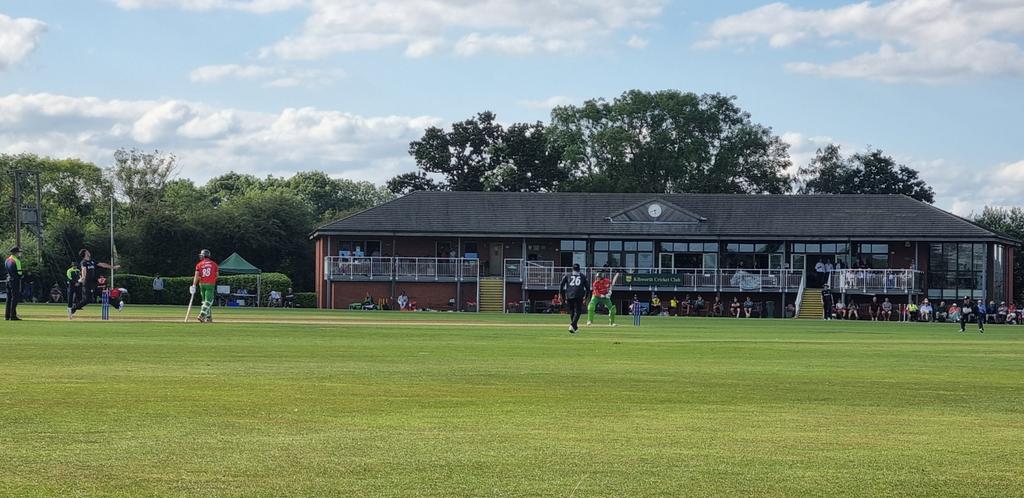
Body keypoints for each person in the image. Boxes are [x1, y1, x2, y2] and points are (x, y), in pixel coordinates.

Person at [69, 248, 120, 319]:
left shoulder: (92, 261)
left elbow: (102, 264)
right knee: (87, 300)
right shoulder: (83, 262)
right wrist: (82, 278)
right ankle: (73, 309)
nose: (89, 252)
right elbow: (84, 271)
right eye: (87, 252)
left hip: (94, 283)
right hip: (87, 284)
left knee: (102, 293)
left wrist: (113, 267)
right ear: (85, 254)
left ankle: (117, 305)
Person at [190, 249, 219, 323]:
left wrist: (194, 285)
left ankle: (208, 318)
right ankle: (202, 315)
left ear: (203, 255)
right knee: (209, 301)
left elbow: (196, 276)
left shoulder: (199, 264)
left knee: (204, 302)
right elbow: (217, 275)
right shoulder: (214, 264)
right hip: (210, 284)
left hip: (201, 284)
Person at [559, 264, 590, 333]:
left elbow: (561, 284)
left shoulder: (568, 275)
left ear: (572, 269)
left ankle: (575, 328)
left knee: (572, 311)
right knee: (578, 312)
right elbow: (588, 288)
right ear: (579, 269)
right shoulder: (582, 276)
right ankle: (572, 325)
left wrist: (560, 294)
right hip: (579, 295)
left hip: (569, 295)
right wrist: (586, 297)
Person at [5, 246, 24, 321]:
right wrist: (22, 275)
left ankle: (7, 315)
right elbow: (19, 273)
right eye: (19, 252)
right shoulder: (16, 260)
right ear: (16, 252)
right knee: (15, 298)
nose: (19, 254)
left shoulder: (7, 260)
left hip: (8, 279)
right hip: (15, 281)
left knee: (8, 298)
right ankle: (12, 315)